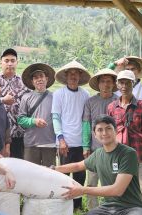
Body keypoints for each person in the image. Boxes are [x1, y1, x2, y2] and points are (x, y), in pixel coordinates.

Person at [54, 115, 142, 215]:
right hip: (107, 207)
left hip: (131, 207)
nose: (104, 133)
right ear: (95, 134)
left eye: (108, 128)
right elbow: (78, 166)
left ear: (116, 131)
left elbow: (117, 190)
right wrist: (54, 169)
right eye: (99, 130)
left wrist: (82, 190)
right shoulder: (98, 154)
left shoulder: (128, 153)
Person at [107, 70, 142, 209]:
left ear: (133, 84)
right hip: (118, 157)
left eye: (128, 82)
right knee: (117, 191)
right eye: (121, 82)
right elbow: (108, 134)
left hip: (137, 155)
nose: (124, 86)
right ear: (117, 84)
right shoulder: (111, 107)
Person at [52, 60, 91, 210]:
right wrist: (61, 139)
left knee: (80, 176)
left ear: (80, 76)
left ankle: (77, 205)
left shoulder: (85, 94)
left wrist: (86, 143)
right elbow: (56, 117)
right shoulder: (59, 94)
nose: (73, 76)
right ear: (66, 75)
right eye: (71, 73)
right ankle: (64, 205)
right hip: (65, 142)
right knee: (64, 176)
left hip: (81, 142)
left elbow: (86, 119)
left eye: (76, 73)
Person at [82, 68, 119, 209]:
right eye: (103, 81)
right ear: (98, 84)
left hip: (113, 150)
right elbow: (86, 125)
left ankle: (114, 210)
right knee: (91, 183)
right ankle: (93, 210)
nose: (106, 84)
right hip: (95, 149)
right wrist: (86, 146)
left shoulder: (118, 100)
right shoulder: (90, 101)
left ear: (114, 83)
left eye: (109, 81)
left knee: (112, 184)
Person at [17, 63, 56, 166]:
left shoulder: (55, 97)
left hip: (50, 143)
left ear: (46, 79)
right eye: (36, 77)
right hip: (31, 143)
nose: (39, 79)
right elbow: (20, 120)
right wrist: (34, 121)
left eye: (41, 76)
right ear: (32, 82)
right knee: (31, 174)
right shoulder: (26, 97)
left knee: (49, 174)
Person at [0, 48, 30, 159]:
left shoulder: (24, 82)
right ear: (0, 62)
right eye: (6, 61)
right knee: (0, 168)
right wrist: (2, 100)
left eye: (12, 60)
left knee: (19, 167)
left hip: (20, 134)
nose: (9, 64)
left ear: (17, 62)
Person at [108, 56, 142, 132]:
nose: (130, 72)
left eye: (133, 69)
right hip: (119, 132)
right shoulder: (118, 88)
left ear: (139, 70)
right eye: (127, 69)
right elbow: (105, 75)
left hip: (138, 133)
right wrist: (115, 64)